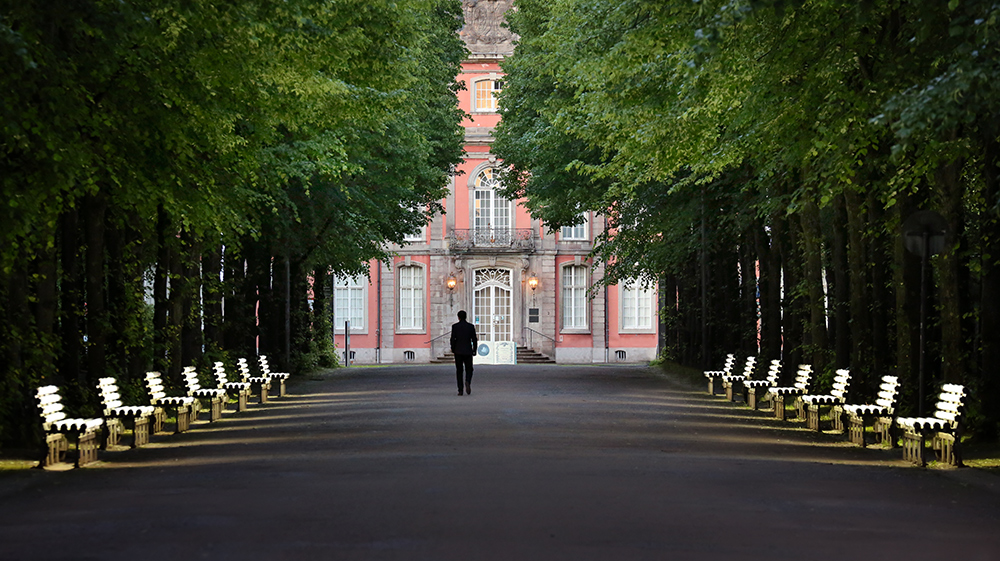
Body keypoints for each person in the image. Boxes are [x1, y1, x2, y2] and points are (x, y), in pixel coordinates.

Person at [450, 310, 478, 395]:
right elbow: (474, 339)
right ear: (466, 317)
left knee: (459, 370)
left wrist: (453, 348)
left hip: (458, 351)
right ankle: (468, 381)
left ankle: (460, 390)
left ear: (458, 317)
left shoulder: (455, 326)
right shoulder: (470, 326)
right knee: (469, 369)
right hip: (468, 351)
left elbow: (452, 339)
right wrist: (474, 349)